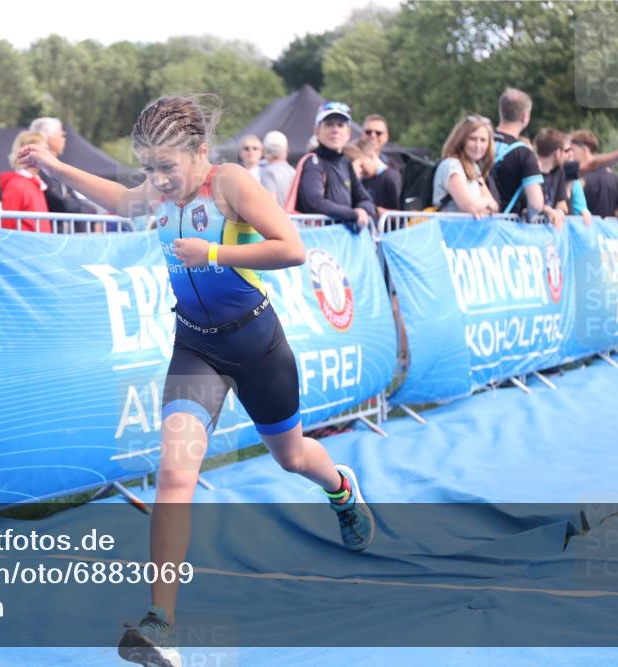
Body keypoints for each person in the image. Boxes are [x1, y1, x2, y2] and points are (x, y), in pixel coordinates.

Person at [19, 95, 376, 667]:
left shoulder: (229, 182)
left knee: (292, 456)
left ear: (200, 154)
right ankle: (162, 623)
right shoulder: (157, 193)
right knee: (175, 472)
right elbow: (117, 198)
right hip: (196, 350)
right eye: (149, 168)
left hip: (258, 347)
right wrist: (56, 167)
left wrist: (213, 250)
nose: (157, 181)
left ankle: (340, 487)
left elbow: (293, 248)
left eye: (167, 167)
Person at [290, 100, 377, 232]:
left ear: (348, 133)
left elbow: (366, 199)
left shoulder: (345, 162)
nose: (335, 130)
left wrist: (363, 209)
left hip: (341, 241)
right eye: (329, 124)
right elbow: (315, 203)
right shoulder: (313, 162)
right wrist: (353, 214)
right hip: (319, 242)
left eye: (340, 125)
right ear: (317, 131)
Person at [28, 117, 96, 230]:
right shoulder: (36, 167)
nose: (64, 139)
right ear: (48, 138)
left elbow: (70, 199)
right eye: (61, 135)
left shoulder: (57, 167)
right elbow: (60, 203)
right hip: (50, 233)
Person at [490, 88, 545, 218]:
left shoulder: (479, 141)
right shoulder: (523, 153)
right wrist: (529, 214)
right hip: (505, 227)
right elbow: (536, 204)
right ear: (525, 117)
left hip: (474, 223)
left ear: (501, 111)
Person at [431, 116, 499, 217]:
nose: (478, 145)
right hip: (449, 231)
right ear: (461, 140)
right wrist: (486, 202)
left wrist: (484, 205)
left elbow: (494, 207)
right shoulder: (452, 165)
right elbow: (470, 207)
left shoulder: (474, 168)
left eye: (483, 140)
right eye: (473, 139)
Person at [0, 131, 52, 232]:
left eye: (46, 149)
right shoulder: (16, 186)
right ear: (27, 153)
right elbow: (7, 226)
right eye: (42, 150)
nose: (47, 154)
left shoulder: (35, 184)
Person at [570, 130, 618, 218]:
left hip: (582, 227)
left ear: (584, 149)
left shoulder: (578, 177)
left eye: (572, 149)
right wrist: (605, 218)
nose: (570, 154)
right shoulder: (614, 178)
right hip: (606, 229)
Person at [531, 128, 569, 230]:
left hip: (549, 232)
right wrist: (548, 211)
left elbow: (562, 202)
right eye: (565, 151)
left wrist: (559, 212)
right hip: (529, 231)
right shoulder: (530, 169)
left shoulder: (559, 171)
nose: (567, 156)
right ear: (557, 153)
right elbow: (528, 203)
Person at [355, 138, 402, 213]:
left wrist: (375, 210)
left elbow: (403, 214)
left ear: (371, 156)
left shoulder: (392, 178)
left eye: (361, 165)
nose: (360, 169)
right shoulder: (364, 180)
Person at [259, 130, 295, 207]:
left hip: (277, 217)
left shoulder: (267, 172)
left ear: (264, 150)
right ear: (286, 150)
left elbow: (270, 204)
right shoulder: (293, 171)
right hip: (294, 218)